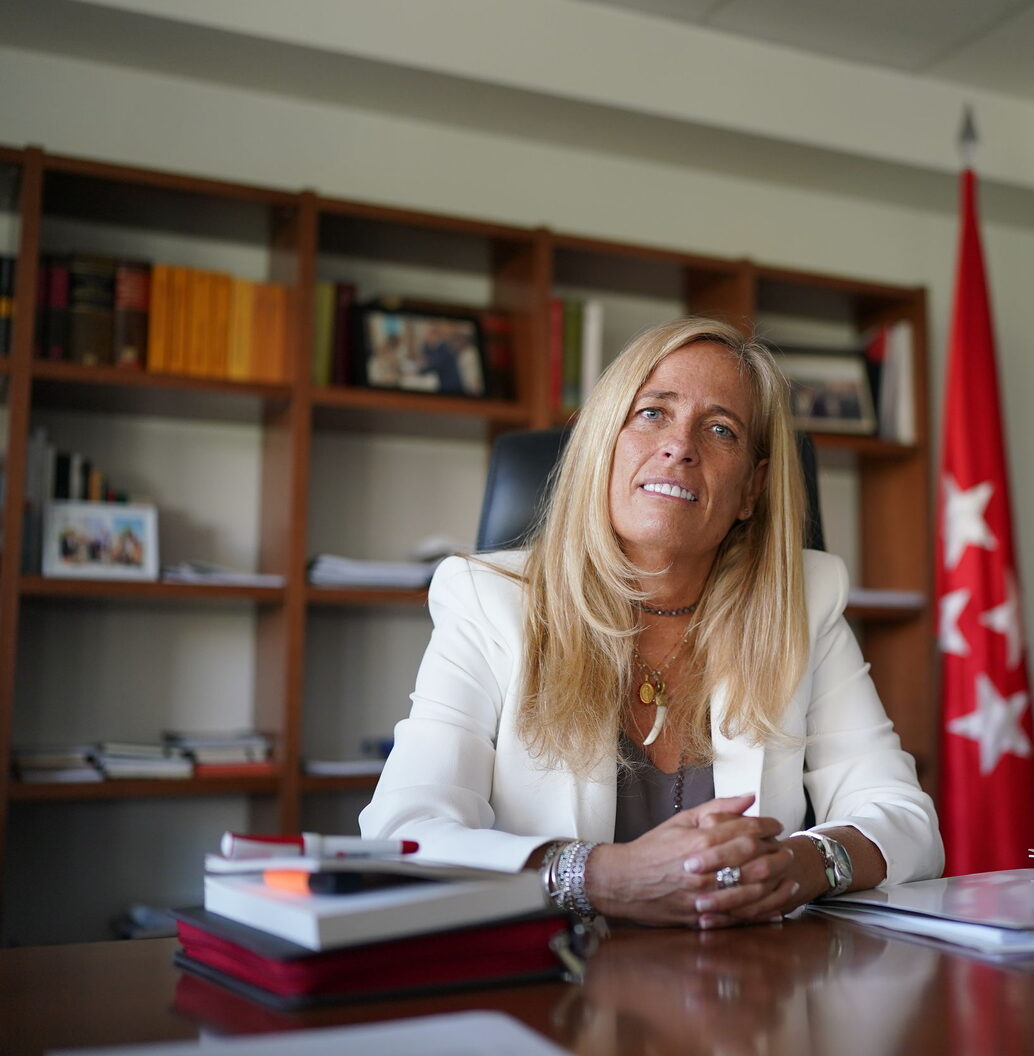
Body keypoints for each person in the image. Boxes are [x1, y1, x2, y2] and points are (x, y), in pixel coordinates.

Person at [360, 318, 942, 928]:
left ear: (752, 488)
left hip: (746, 973)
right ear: (602, 445)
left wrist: (805, 863)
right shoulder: (488, 599)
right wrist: (605, 877)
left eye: (721, 429)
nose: (680, 446)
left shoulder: (802, 603)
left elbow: (905, 819)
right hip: (555, 970)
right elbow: (404, 829)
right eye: (652, 414)